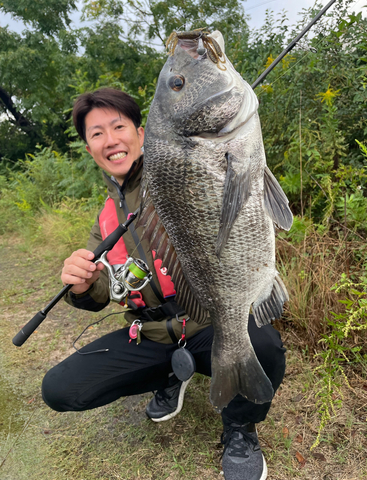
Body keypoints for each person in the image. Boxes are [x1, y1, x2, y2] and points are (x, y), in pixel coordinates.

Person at [42, 88, 286, 480]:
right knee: (60, 388)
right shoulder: (105, 218)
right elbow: (102, 291)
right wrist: (83, 285)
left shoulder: (179, 176)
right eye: (97, 133)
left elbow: (229, 181)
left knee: (262, 343)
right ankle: (172, 373)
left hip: (206, 323)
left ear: (142, 134)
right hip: (151, 332)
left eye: (118, 126)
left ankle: (240, 428)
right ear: (89, 148)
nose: (110, 140)